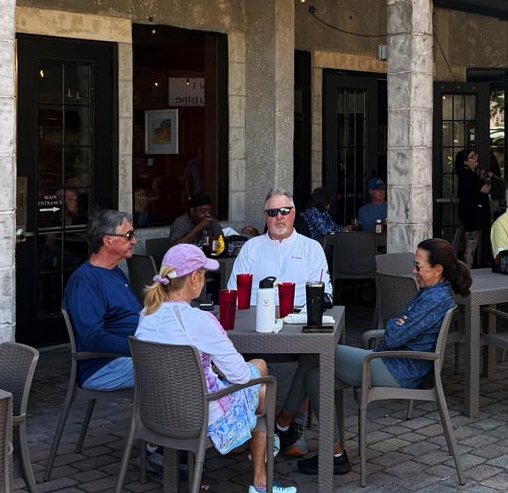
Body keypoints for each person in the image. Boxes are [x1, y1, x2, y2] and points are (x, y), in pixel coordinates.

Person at [274, 238, 472, 475]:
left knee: (317, 349)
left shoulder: (434, 299)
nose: (413, 270)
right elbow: (398, 329)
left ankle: (282, 424)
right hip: (389, 360)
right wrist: (396, 325)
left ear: (437, 269)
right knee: (315, 376)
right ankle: (334, 454)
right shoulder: (431, 292)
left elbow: (395, 337)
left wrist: (395, 326)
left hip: (397, 370)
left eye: (418, 266)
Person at [135, 244, 297, 493]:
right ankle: (260, 477)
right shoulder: (200, 320)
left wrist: (208, 367)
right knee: (261, 376)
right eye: (204, 274)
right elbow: (241, 377)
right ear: (193, 279)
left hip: (156, 413)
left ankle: (251, 448)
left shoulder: (146, 314)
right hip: (200, 415)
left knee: (254, 379)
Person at [61, 210, 140, 390]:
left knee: (194, 356)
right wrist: (141, 347)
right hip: (104, 366)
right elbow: (93, 338)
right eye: (129, 235)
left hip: (130, 355)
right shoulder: (85, 281)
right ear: (108, 240)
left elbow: (133, 313)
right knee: (181, 367)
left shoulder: (115, 272)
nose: (134, 241)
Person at [229, 190, 332, 309]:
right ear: (265, 216)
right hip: (255, 317)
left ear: (293, 214)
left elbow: (323, 293)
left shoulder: (312, 248)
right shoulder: (250, 247)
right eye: (272, 212)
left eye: (285, 211)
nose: (279, 217)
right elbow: (234, 291)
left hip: (299, 319)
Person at [455, 148, 492, 266]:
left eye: (475, 156)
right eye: (472, 157)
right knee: (471, 244)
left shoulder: (467, 175)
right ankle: (467, 268)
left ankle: (467, 266)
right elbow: (485, 189)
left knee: (470, 243)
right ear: (465, 162)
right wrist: (488, 179)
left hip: (468, 213)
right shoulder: (469, 175)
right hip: (473, 215)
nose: (475, 159)